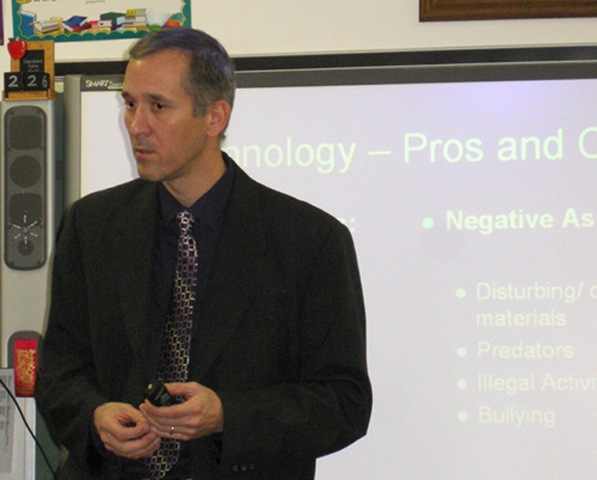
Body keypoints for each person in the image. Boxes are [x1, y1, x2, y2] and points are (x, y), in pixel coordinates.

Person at [36, 27, 372, 480]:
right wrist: (95, 418)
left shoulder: (310, 241)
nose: (136, 125)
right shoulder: (91, 225)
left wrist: (227, 415)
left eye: (158, 106)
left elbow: (345, 402)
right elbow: (60, 370)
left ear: (214, 117)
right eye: (130, 103)